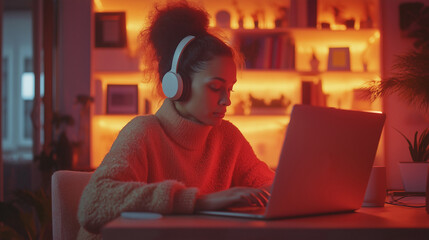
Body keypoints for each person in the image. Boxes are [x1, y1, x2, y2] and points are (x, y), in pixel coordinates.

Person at [77, 2, 274, 239]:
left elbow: (271, 187)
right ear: (177, 85)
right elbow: (93, 203)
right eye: (215, 87)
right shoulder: (143, 132)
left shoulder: (227, 136)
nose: (226, 101)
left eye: (230, 89)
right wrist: (199, 201)